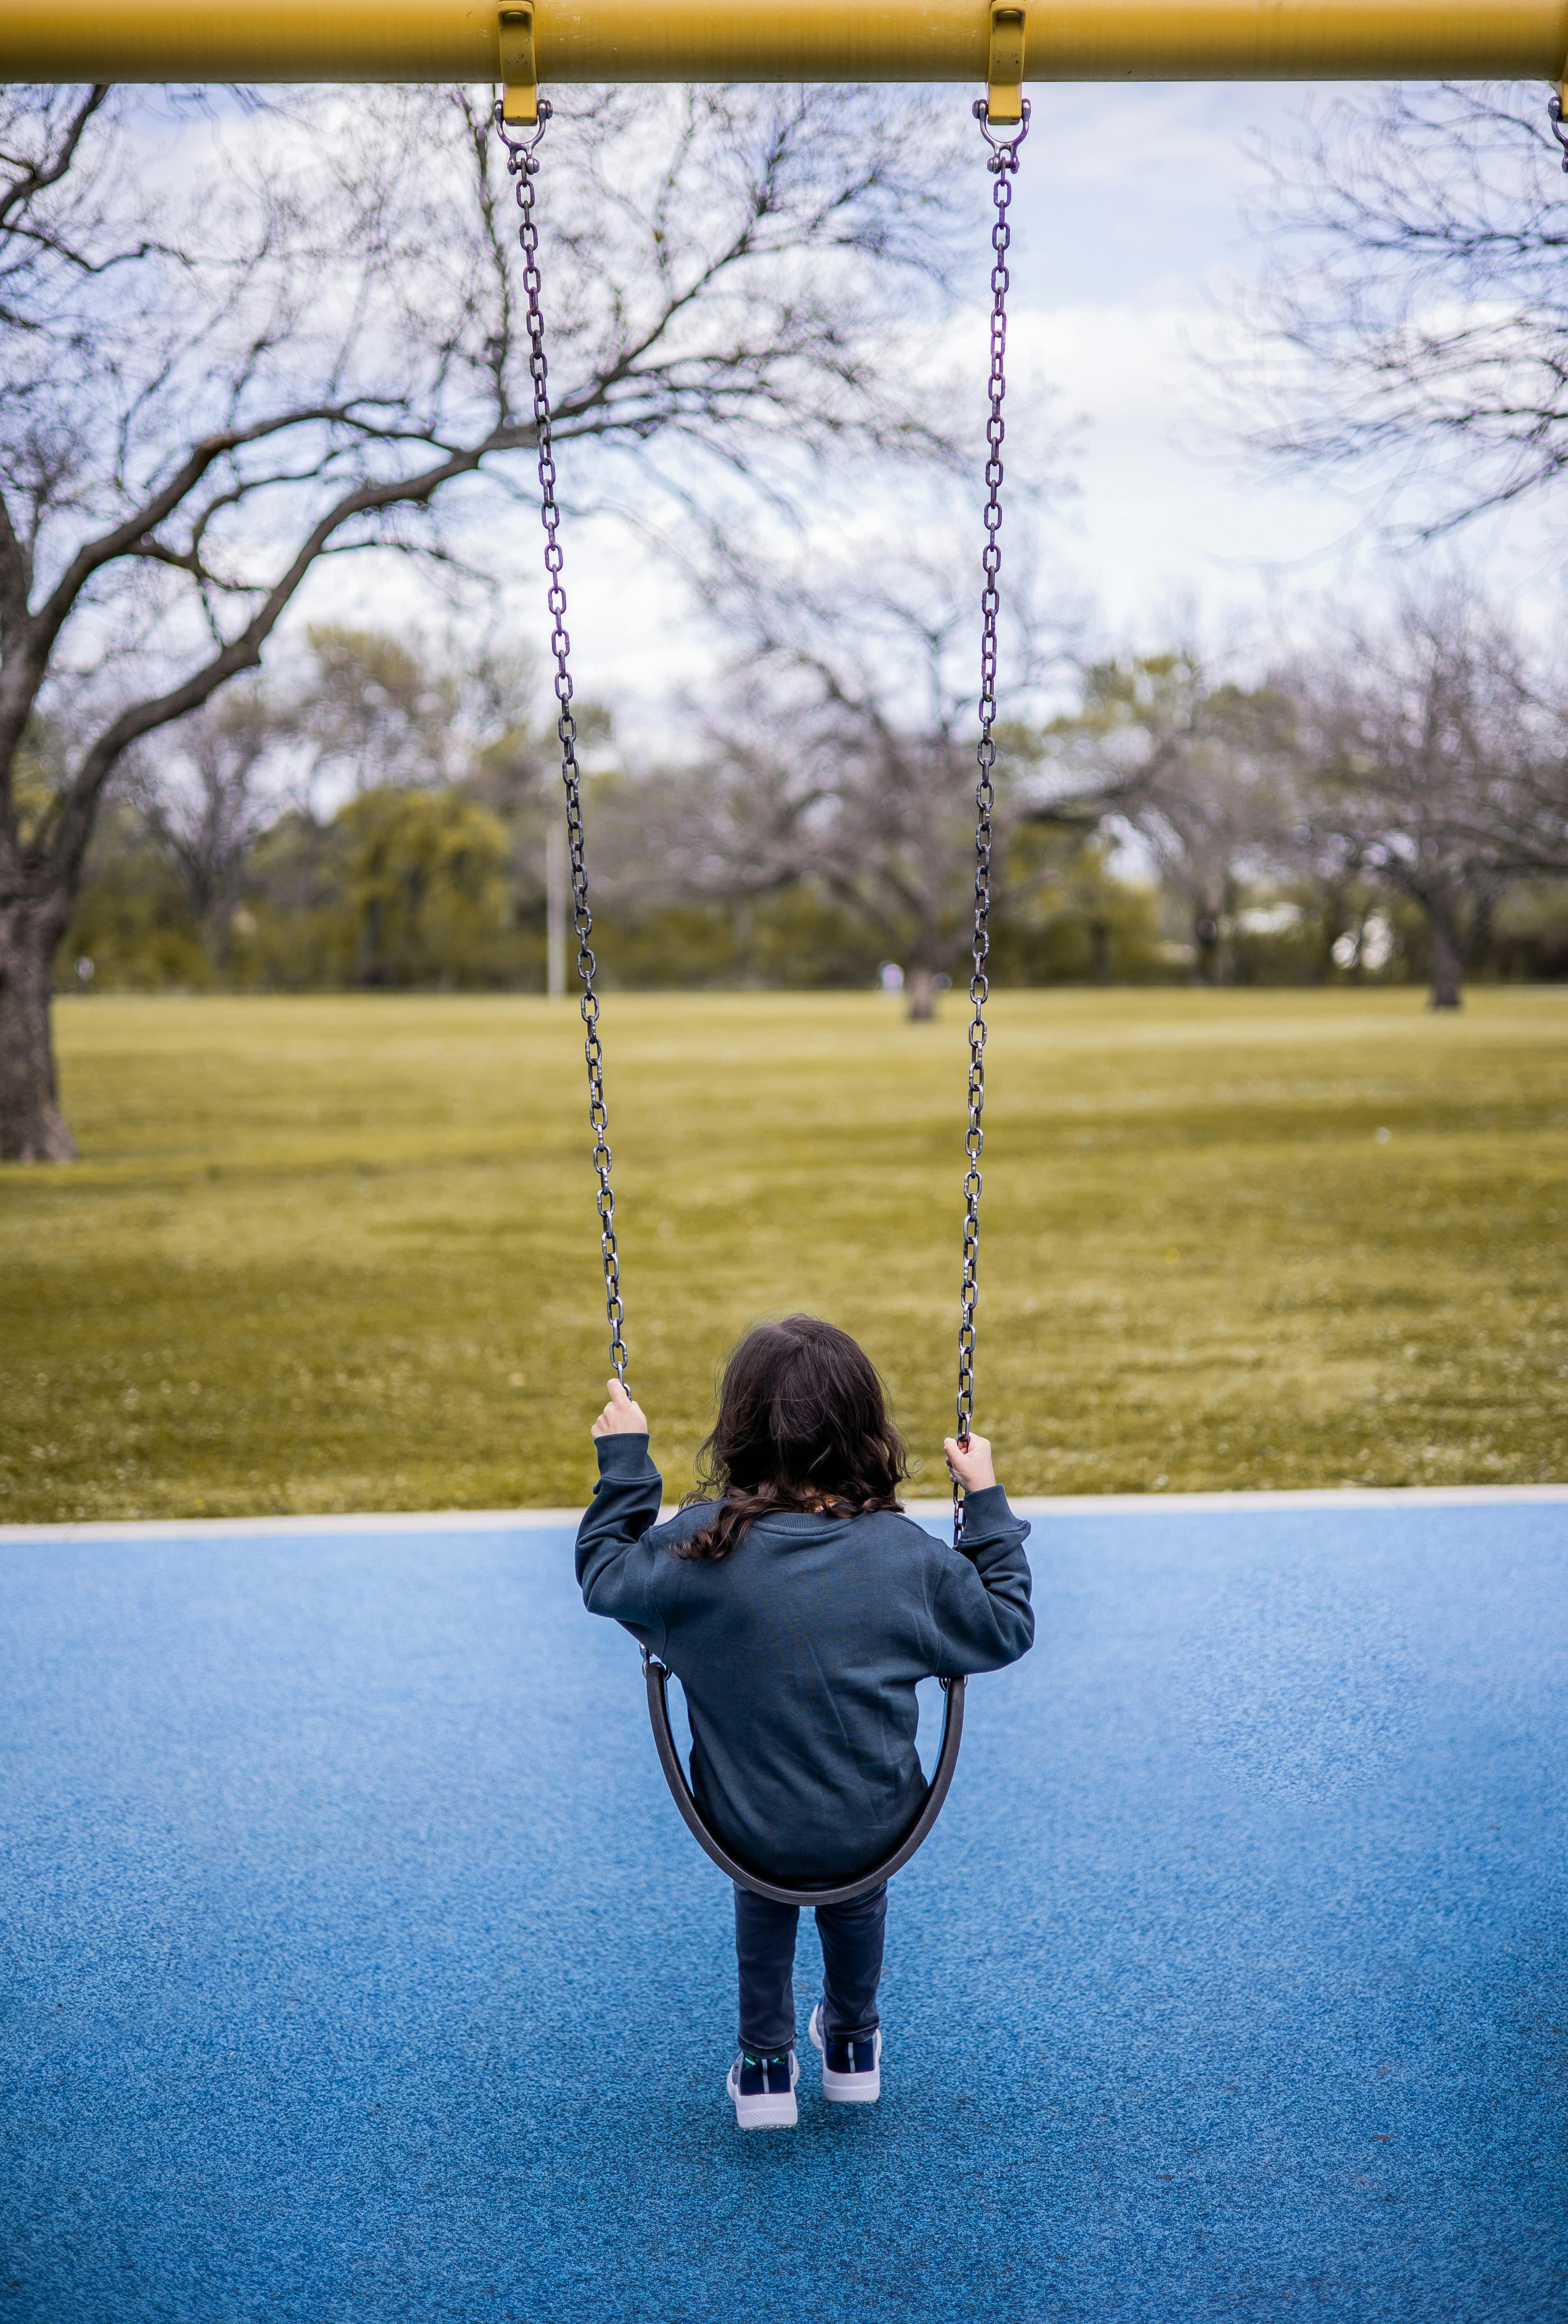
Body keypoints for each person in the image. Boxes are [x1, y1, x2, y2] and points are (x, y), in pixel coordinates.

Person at [575, 1313, 1034, 2130]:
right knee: (854, 1890)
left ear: (738, 1432)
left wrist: (626, 1462)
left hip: (745, 1831)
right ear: (866, 1432)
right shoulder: (909, 1560)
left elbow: (605, 1573)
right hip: (878, 1829)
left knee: (769, 1887)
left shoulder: (697, 1554)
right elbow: (1006, 1627)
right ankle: (852, 2046)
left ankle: (764, 2067)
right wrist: (986, 1502)